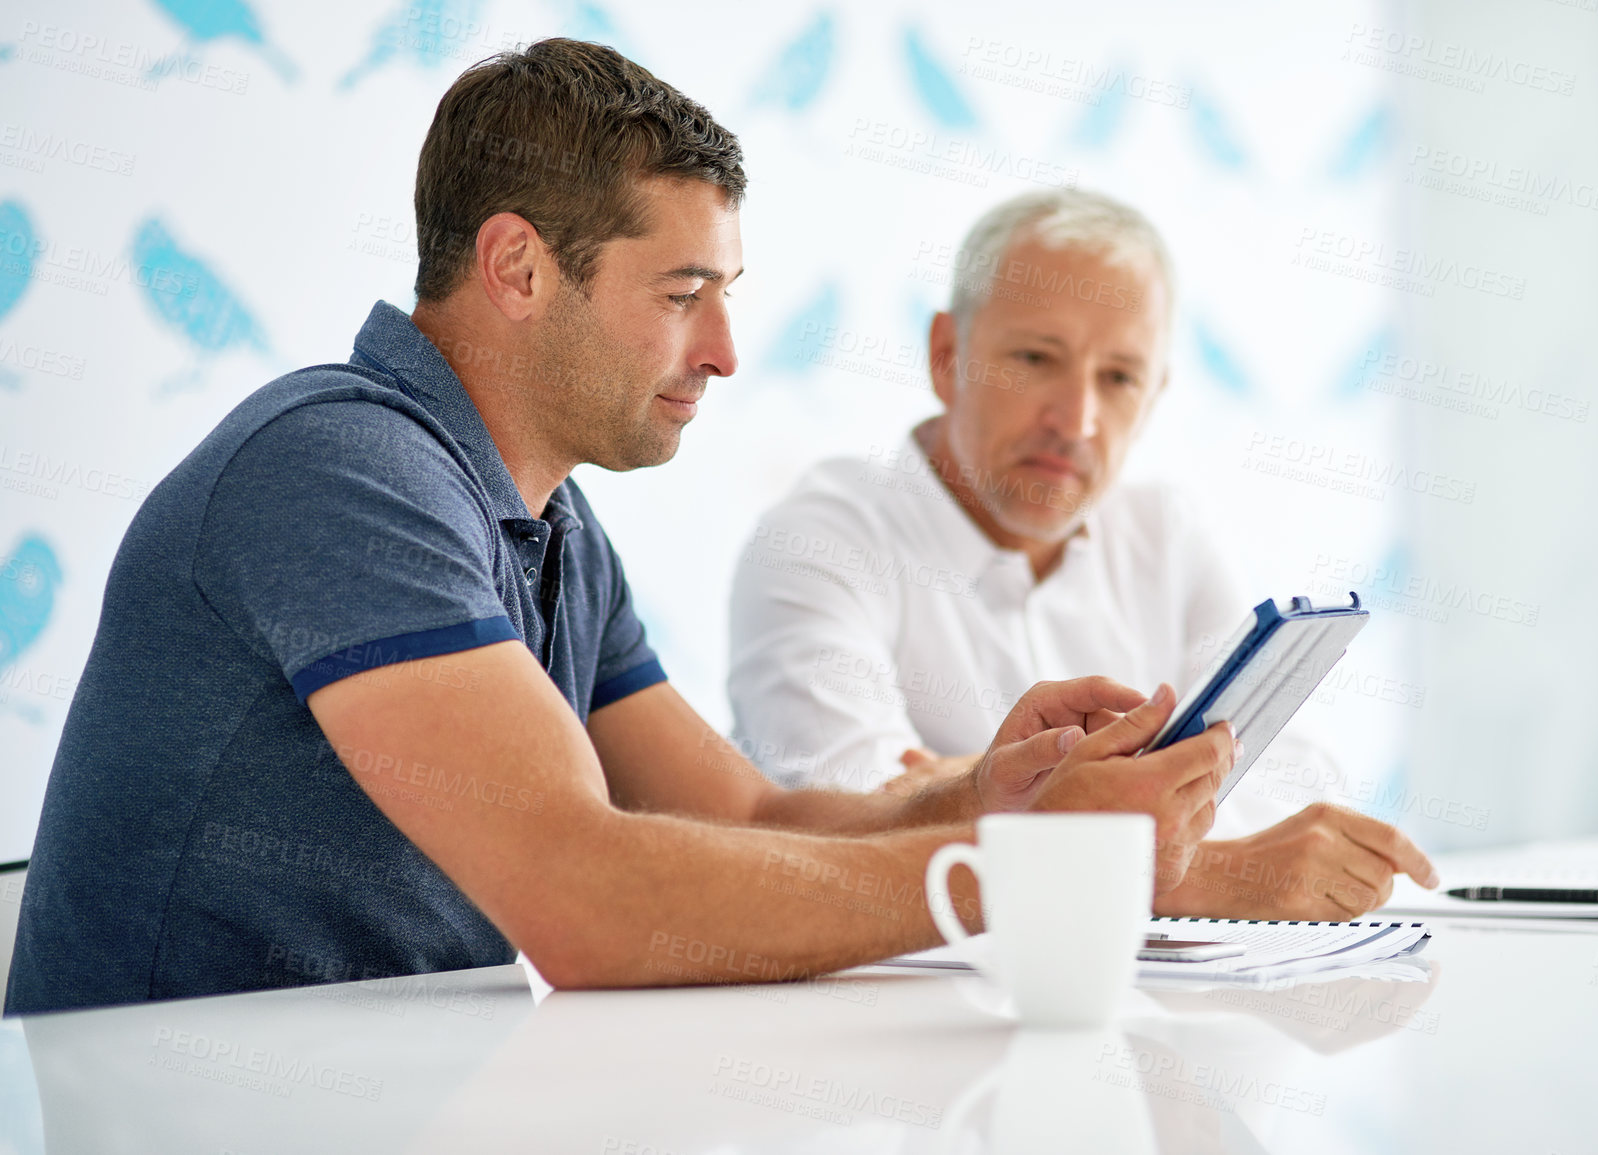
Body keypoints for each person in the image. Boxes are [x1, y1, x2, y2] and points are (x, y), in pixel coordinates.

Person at [3, 40, 1379, 1018]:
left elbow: (755, 814)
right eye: (681, 292)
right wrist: (1026, 873)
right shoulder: (338, 469)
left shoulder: (550, 522)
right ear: (518, 267)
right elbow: (584, 898)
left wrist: (985, 792)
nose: (724, 349)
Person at [729, 189, 1437, 920]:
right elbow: (840, 826)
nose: (1077, 420)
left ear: (1155, 393)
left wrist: (994, 790)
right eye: (1036, 358)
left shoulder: (1166, 530)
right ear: (947, 356)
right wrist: (1187, 857)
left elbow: (1295, 776)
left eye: (1119, 377)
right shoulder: (817, 539)